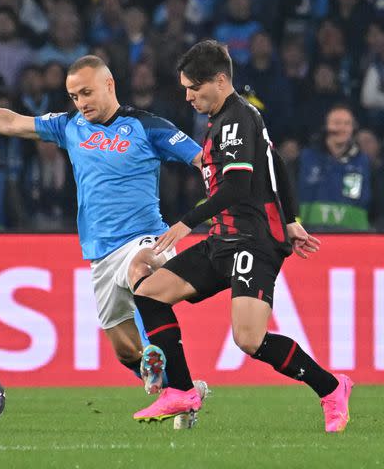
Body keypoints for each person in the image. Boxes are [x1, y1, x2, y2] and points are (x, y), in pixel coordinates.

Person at [0, 55, 204, 396]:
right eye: (74, 96)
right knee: (124, 351)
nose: (81, 103)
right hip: (101, 253)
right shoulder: (69, 126)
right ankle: (179, 388)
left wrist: (221, 202)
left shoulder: (148, 126)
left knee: (139, 269)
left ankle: (157, 354)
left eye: (86, 92)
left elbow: (203, 159)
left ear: (109, 85)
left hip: (147, 238)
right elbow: (10, 122)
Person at [131, 40, 351, 433]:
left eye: (194, 88)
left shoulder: (236, 118)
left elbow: (235, 186)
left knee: (249, 340)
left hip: (253, 242)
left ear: (219, 80)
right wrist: (292, 218)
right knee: (148, 292)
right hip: (223, 240)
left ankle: (332, 388)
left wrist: (185, 223)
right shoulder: (229, 118)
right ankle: (181, 390)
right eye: (185, 89)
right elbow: (277, 162)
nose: (188, 97)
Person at [298, 105, 372, 231]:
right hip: (310, 235)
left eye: (347, 123)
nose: (342, 128)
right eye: (336, 123)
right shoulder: (305, 158)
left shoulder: (364, 162)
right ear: (326, 126)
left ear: (353, 128)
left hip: (354, 238)